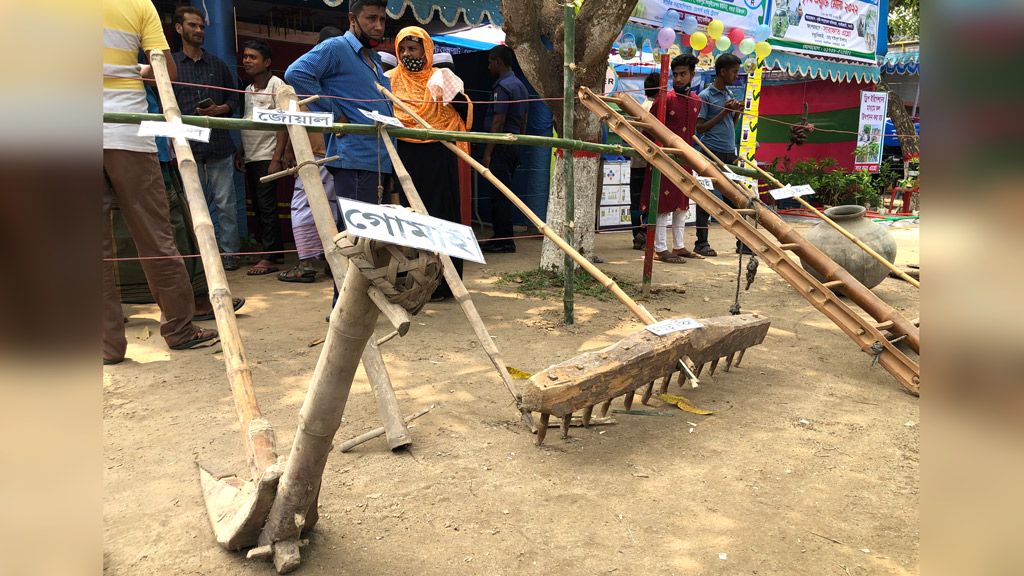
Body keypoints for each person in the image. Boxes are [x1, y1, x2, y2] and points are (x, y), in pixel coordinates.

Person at [103, 0, 218, 364]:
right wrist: (131, 69)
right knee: (156, 234)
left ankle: (105, 344)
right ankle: (180, 329)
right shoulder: (137, 4)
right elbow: (164, 70)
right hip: (128, 132)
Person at [285, 0, 395, 310]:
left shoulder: (372, 58)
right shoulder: (335, 47)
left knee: (371, 240)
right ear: (352, 18)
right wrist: (335, 115)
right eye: (370, 18)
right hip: (354, 158)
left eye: (382, 19)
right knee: (356, 239)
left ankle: (358, 305)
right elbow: (296, 73)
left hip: (377, 159)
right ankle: (344, 308)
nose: (377, 25)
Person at [386, 27, 471, 301]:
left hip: (438, 154)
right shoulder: (389, 80)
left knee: (441, 217)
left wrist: (449, 91)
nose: (408, 54)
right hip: (405, 157)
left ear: (427, 50)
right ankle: (414, 283)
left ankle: (445, 284)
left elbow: (463, 110)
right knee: (409, 220)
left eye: (413, 49)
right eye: (403, 50)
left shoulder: (440, 76)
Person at [172, 6, 243, 270]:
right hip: (185, 145)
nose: (199, 30)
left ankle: (230, 255)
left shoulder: (217, 64)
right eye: (192, 25)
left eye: (201, 26)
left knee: (225, 203)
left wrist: (220, 109)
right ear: (179, 28)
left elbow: (234, 99)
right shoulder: (172, 66)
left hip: (219, 144)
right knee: (192, 205)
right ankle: (200, 258)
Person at [276, 26, 343, 284]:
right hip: (318, 154)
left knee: (305, 206)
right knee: (328, 207)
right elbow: (290, 119)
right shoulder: (305, 79)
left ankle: (306, 264)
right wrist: (288, 150)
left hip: (323, 155)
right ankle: (327, 261)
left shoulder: (314, 79)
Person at [640, 54, 705, 264]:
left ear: (693, 75)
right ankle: (660, 248)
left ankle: (678, 246)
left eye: (683, 74)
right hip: (663, 158)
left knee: (681, 204)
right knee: (662, 205)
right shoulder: (664, 99)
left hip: (685, 159)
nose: (678, 79)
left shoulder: (697, 101)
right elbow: (650, 130)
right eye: (675, 75)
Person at [235, 39, 286, 276]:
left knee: (266, 206)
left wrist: (277, 158)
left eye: (253, 57)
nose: (247, 61)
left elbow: (285, 124)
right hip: (252, 155)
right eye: (245, 56)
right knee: (258, 205)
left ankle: (270, 256)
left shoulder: (278, 85)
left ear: (267, 62)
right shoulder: (247, 90)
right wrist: (242, 151)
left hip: (268, 155)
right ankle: (273, 251)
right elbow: (249, 120)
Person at [696, 53, 747, 256]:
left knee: (734, 200)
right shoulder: (706, 96)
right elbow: (700, 128)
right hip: (710, 153)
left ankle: (743, 242)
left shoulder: (728, 95)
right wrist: (725, 112)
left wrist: (736, 113)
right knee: (706, 198)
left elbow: (730, 126)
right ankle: (701, 243)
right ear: (723, 72)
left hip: (729, 153)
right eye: (734, 72)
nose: (737, 76)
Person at [480, 45, 528, 254]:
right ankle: (500, 236)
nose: (488, 67)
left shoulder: (503, 87)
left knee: (499, 195)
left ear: (498, 62)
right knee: (504, 193)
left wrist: (488, 153)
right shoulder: (521, 86)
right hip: (514, 144)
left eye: (490, 63)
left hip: (500, 147)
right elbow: (524, 120)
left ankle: (505, 241)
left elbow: (498, 122)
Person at [629, 72, 661, 250]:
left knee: (636, 199)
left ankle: (637, 236)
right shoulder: (656, 108)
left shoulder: (639, 107)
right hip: (650, 162)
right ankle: (643, 233)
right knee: (651, 198)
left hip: (636, 161)